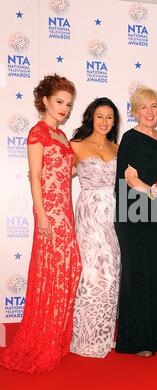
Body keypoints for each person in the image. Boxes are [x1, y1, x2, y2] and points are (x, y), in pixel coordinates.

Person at [0, 74, 82, 373]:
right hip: (50, 211)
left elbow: (63, 173)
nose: (64, 108)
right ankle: (42, 340)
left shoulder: (61, 136)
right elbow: (34, 176)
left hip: (66, 208)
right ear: (45, 100)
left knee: (67, 269)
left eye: (68, 104)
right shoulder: (38, 133)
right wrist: (42, 213)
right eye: (59, 101)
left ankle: (56, 338)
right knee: (53, 271)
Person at [114, 86, 157, 357]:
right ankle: (136, 341)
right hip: (134, 212)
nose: (150, 112)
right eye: (144, 107)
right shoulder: (130, 138)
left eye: (155, 106)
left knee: (153, 270)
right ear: (135, 111)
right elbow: (130, 177)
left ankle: (156, 336)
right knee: (137, 271)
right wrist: (150, 192)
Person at [70, 98, 120, 358]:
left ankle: (103, 335)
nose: (104, 121)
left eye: (109, 117)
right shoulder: (76, 146)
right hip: (89, 214)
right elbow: (60, 173)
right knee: (89, 274)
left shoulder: (118, 148)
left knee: (110, 274)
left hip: (113, 215)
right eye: (99, 116)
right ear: (91, 117)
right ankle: (84, 339)